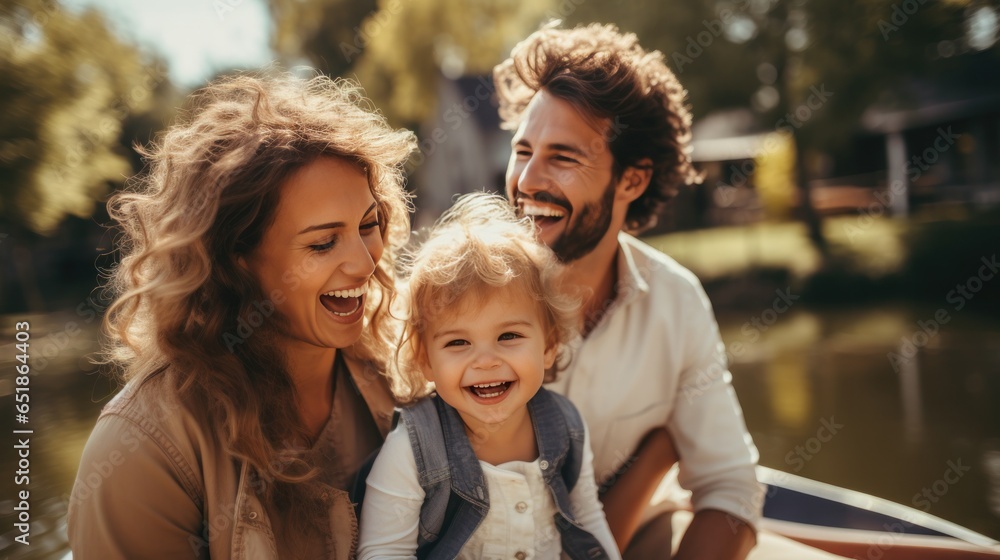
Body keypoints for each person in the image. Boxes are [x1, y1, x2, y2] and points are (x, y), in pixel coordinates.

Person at [494, 23, 846, 559]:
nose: (527, 180)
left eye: (563, 158)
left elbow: (731, 488)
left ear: (632, 181)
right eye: (523, 151)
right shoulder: (459, 294)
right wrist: (657, 453)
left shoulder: (676, 302)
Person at [66, 73, 419, 559]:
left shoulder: (407, 369)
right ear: (236, 258)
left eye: (368, 225)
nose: (364, 261)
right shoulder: (141, 450)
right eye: (322, 243)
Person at [357, 193, 620, 559]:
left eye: (508, 336)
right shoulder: (414, 449)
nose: (486, 360)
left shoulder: (565, 426)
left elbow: (588, 516)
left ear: (548, 345)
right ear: (425, 359)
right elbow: (383, 551)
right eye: (459, 342)